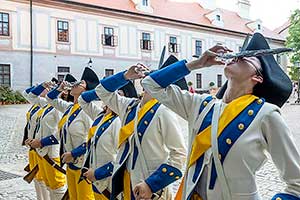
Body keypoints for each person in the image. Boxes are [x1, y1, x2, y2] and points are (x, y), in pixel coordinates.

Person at [142, 32, 300, 200]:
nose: (236, 57)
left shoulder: (267, 114)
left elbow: (296, 184)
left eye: (246, 57)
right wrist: (197, 63)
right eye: (237, 55)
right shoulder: (200, 105)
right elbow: (150, 84)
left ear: (257, 77)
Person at [91, 59, 187, 200]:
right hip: (127, 182)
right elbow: (101, 91)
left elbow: (179, 154)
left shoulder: (164, 111)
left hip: (150, 188)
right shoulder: (129, 107)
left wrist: (152, 184)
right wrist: (125, 76)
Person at [46, 68, 99, 200]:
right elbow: (50, 98)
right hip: (70, 163)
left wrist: (73, 154)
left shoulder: (89, 112)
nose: (75, 85)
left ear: (86, 91)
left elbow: (93, 141)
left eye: (80, 83)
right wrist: (59, 88)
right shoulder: (69, 108)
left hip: (83, 165)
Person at [24, 78, 67, 200]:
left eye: (55, 89)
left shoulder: (60, 109)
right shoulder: (46, 105)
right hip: (40, 149)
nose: (50, 91)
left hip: (52, 152)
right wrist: (42, 85)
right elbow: (29, 95)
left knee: (57, 187)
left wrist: (42, 142)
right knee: (45, 183)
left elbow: (61, 133)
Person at [22, 85, 47, 200]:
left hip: (40, 146)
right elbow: (26, 93)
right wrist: (39, 86)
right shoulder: (36, 105)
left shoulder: (46, 105)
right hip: (31, 145)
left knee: (43, 179)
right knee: (36, 177)